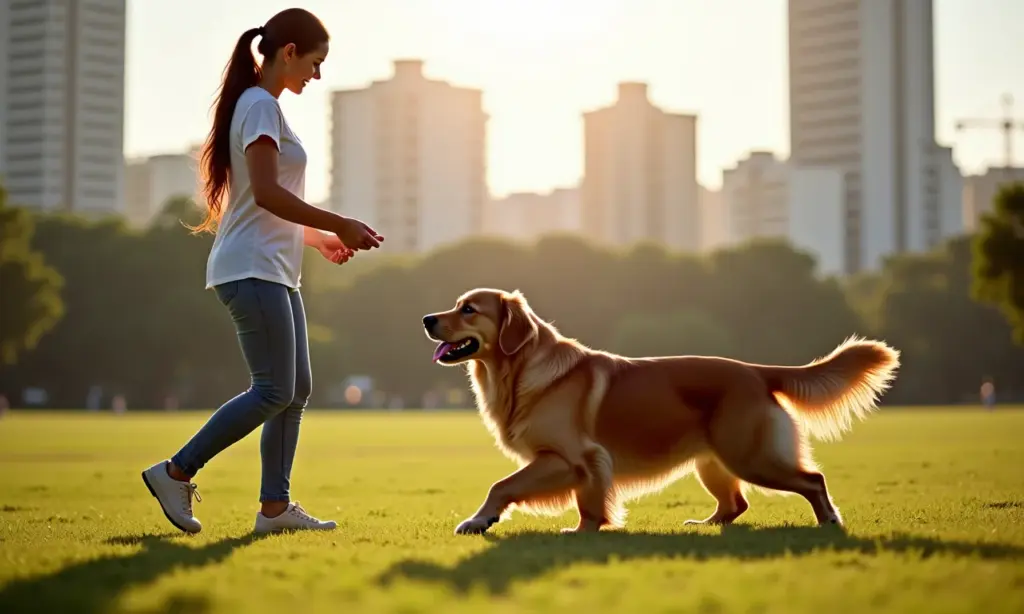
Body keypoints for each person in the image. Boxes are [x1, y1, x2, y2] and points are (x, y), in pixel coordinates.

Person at [141, 8, 383, 535]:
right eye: (314, 63)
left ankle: (275, 509)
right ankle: (175, 471)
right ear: (288, 52)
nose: (316, 76)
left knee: (295, 388)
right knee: (273, 388)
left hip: (273, 267)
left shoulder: (265, 108)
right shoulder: (258, 106)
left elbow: (263, 203)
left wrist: (317, 239)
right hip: (251, 269)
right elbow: (270, 193)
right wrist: (339, 222)